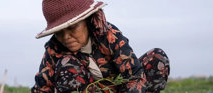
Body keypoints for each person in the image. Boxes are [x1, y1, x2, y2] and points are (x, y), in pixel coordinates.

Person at [32, 0, 170, 93]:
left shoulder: (109, 35)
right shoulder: (54, 49)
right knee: (67, 65)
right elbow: (42, 88)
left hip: (122, 89)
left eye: (72, 28)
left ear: (86, 21)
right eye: (59, 32)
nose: (66, 37)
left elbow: (134, 74)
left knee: (157, 57)